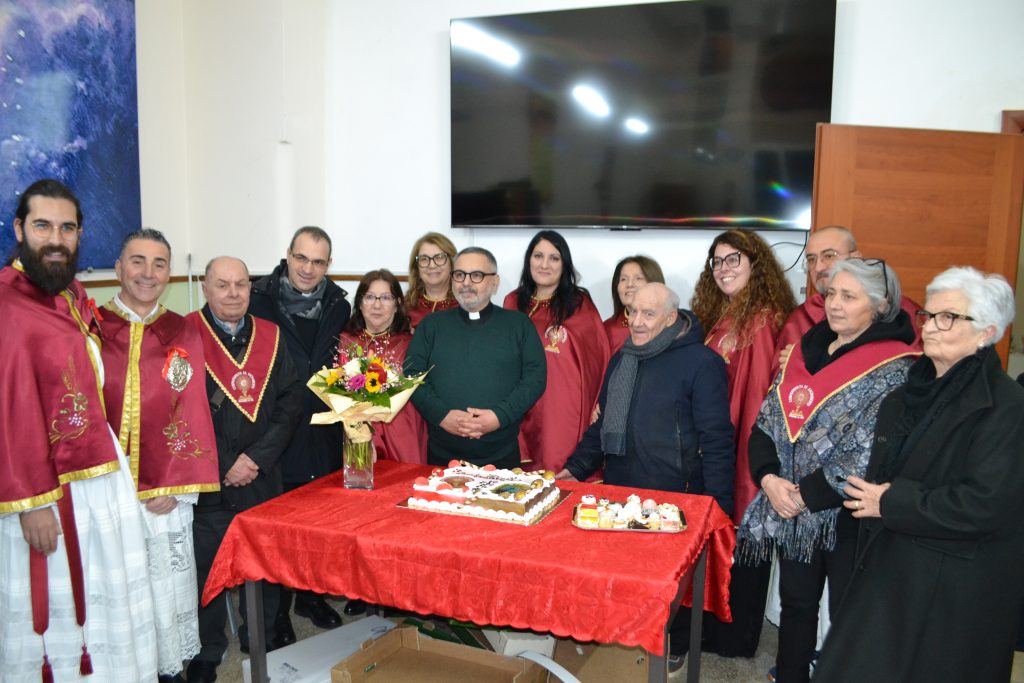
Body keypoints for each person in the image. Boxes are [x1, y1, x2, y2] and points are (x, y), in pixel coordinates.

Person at [813, 267, 1024, 683]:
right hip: (887, 571)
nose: (929, 327)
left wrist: (889, 502)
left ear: (986, 332)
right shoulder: (904, 395)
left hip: (952, 591)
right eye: (928, 315)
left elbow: (985, 504)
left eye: (948, 317)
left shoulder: (1008, 408)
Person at [0, 179, 158, 682]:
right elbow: (8, 410)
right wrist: (32, 504)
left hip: (95, 469)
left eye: (67, 228)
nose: (56, 239)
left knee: (104, 588)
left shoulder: (68, 291)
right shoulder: (7, 305)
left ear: (80, 235)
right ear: (19, 228)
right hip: (44, 489)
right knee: (60, 605)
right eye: (43, 226)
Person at [737, 259, 919, 683]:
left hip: (850, 517)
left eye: (849, 297)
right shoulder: (806, 351)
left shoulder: (898, 367)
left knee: (848, 614)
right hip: (791, 507)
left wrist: (802, 496)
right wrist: (769, 479)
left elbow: (868, 452)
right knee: (796, 604)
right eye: (831, 294)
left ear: (880, 305)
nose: (835, 305)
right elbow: (766, 424)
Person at [558, 282, 735, 673]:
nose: (636, 322)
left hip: (676, 498)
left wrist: (719, 506)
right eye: (632, 312)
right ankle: (620, 647)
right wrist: (574, 469)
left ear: (671, 319)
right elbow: (602, 427)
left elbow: (717, 440)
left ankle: (674, 645)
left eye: (648, 314)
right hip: (620, 491)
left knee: (672, 588)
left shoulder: (702, 363)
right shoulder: (623, 358)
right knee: (622, 580)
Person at [100, 228, 220, 682]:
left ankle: (166, 671)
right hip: (105, 490)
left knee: (163, 588)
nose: (148, 273)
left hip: (164, 494)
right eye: (138, 261)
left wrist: (177, 486)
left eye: (159, 263)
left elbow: (191, 408)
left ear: (169, 273)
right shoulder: (92, 327)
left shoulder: (181, 330)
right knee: (115, 588)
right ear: (119, 268)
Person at [185, 257, 303, 683]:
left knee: (264, 562)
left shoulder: (271, 335)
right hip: (209, 479)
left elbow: (291, 401)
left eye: (241, 284)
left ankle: (261, 635)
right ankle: (208, 649)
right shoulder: (184, 335)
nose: (233, 293)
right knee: (206, 569)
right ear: (205, 287)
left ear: (251, 288)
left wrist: (256, 459)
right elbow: (178, 411)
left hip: (261, 474)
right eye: (223, 284)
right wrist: (224, 464)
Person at [688, 229, 797, 659]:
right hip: (716, 448)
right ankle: (713, 631)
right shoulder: (721, 315)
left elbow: (756, 399)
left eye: (733, 259)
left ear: (755, 264)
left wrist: (742, 460)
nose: (724, 268)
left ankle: (735, 640)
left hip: (741, 454)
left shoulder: (762, 320)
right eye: (717, 261)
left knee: (744, 545)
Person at [248, 226, 355, 634]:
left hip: (323, 431)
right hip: (277, 430)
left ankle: (311, 597)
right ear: (288, 255)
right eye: (302, 258)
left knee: (317, 524)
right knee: (278, 526)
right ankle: (276, 611)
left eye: (318, 262)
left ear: (329, 265)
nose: (308, 269)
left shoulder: (339, 304)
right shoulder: (258, 299)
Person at [406, 246, 545, 468]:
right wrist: (442, 416)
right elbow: (411, 376)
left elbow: (535, 379)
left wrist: (499, 417)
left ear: (495, 282)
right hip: (442, 457)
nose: (466, 283)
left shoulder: (519, 325)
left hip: (502, 455)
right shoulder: (431, 326)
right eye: (460, 275)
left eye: (476, 275)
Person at [503, 230, 610, 473]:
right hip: (520, 401)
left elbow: (599, 358)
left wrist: (599, 401)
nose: (544, 264)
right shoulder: (512, 301)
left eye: (554, 258)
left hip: (562, 405)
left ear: (564, 265)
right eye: (538, 256)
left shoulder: (578, 303)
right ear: (529, 260)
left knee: (558, 470)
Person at [773, 225, 920, 374]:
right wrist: (796, 363)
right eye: (811, 259)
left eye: (829, 256)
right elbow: (781, 374)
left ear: (855, 258)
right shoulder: (800, 317)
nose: (818, 268)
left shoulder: (902, 313)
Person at [339, 269, 427, 463]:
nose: (377, 305)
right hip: (358, 431)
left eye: (386, 298)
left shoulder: (411, 343)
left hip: (402, 433)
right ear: (360, 303)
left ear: (397, 304)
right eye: (370, 297)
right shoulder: (345, 341)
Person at [603, 255, 665, 353]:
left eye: (638, 278)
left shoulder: (670, 323)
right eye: (623, 279)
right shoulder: (606, 330)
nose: (629, 284)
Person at [405, 232, 458, 330]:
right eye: (424, 259)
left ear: (452, 263)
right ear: (416, 268)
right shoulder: (405, 308)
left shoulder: (464, 306)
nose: (432, 265)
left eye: (439, 257)